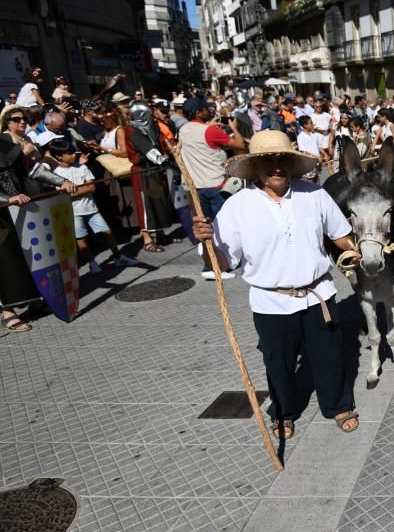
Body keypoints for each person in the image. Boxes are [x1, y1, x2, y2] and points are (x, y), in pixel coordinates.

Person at [191, 130, 361, 438]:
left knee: (329, 356)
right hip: (271, 302)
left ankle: (338, 405)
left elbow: (340, 234)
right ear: (255, 167)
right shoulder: (238, 206)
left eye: (282, 159)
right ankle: (283, 411)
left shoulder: (314, 194)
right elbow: (223, 261)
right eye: (267, 160)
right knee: (278, 363)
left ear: (291, 163)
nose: (276, 166)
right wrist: (206, 241)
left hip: (318, 294)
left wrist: (356, 248)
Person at [0, 106, 76, 333]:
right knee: (6, 262)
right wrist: (8, 198)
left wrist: (59, 181)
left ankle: (34, 300)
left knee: (27, 255)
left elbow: (32, 170)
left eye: (25, 119)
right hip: (2, 214)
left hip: (19, 209)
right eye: (17, 119)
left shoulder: (9, 145)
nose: (22, 122)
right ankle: (8, 312)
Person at [178, 96, 245, 279]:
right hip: (217, 185)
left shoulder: (182, 130)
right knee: (223, 227)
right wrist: (233, 129)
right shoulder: (209, 131)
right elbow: (240, 144)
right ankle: (218, 266)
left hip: (197, 186)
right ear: (199, 112)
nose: (210, 111)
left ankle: (211, 264)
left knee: (207, 226)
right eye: (206, 109)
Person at [46, 139, 137, 274]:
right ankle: (91, 263)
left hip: (91, 208)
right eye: (69, 153)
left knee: (108, 232)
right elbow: (65, 195)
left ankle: (118, 257)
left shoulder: (82, 167)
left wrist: (74, 191)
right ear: (59, 156)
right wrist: (81, 190)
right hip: (74, 211)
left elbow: (92, 187)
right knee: (81, 238)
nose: (73, 155)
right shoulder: (56, 174)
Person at [125, 102, 174, 252]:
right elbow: (148, 150)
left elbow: (159, 143)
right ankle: (147, 239)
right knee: (145, 205)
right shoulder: (132, 130)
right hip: (142, 171)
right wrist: (166, 161)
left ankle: (160, 234)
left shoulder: (151, 126)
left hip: (154, 170)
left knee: (157, 200)